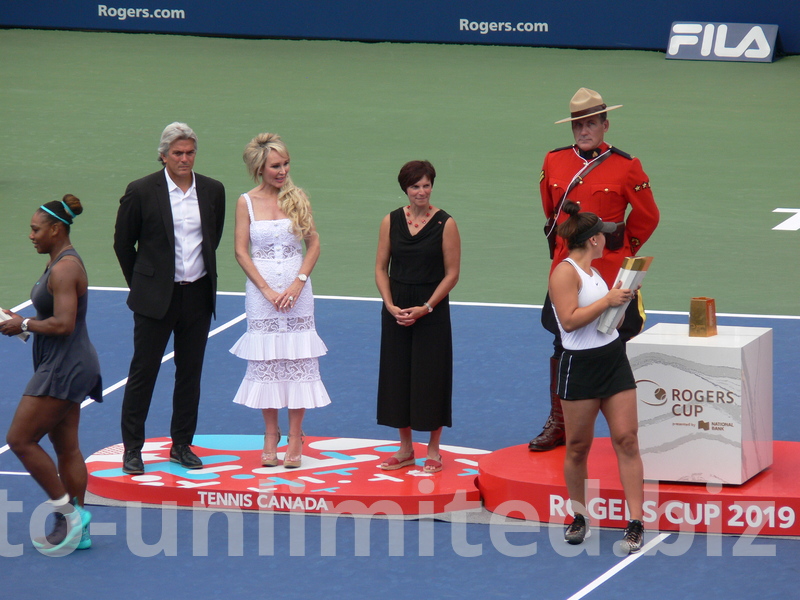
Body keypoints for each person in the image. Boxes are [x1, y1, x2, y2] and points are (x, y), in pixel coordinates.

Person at [530, 87, 660, 452]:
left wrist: (620, 249)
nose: (583, 131)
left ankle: (630, 426)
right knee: (562, 342)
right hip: (568, 270)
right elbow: (552, 213)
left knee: (620, 339)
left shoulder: (626, 165)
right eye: (577, 126)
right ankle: (559, 422)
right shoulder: (554, 161)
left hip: (610, 273)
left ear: (605, 124)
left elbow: (648, 216)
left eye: (590, 124)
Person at [114, 122, 225, 474]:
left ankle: (181, 445)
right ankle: (133, 449)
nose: (184, 158)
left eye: (190, 152)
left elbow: (213, 236)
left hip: (197, 297)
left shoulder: (212, 190)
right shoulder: (141, 191)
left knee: (189, 374)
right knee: (143, 373)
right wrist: (142, 284)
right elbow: (122, 243)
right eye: (177, 153)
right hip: (154, 300)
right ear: (163, 156)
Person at [1, 194, 102, 555]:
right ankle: (80, 527)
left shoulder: (64, 268)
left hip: (65, 366)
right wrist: (19, 322)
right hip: (66, 362)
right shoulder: (57, 263)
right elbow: (52, 320)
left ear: (56, 229)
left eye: (35, 229)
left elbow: (63, 323)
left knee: (20, 440)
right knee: (66, 446)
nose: (31, 235)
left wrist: (24, 323)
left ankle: (68, 514)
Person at [549, 200, 645, 554]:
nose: (606, 240)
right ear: (591, 241)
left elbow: (610, 325)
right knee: (577, 447)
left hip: (612, 360)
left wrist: (620, 303)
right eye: (601, 236)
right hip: (581, 367)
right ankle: (578, 515)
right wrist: (607, 301)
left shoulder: (598, 275)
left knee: (627, 439)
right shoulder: (565, 272)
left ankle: (636, 522)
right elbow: (570, 320)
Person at [229, 133, 330, 469]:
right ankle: (270, 436)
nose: (283, 170)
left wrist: (298, 283)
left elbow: (313, 244)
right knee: (268, 363)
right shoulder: (245, 202)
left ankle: (296, 436)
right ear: (260, 168)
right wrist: (268, 291)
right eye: (276, 165)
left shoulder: (296, 198)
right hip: (262, 298)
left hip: (297, 295)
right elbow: (241, 252)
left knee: (298, 359)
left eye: (286, 164)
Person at [375, 160, 461, 473]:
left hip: (432, 312)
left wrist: (427, 307)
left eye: (426, 185)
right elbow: (380, 268)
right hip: (397, 311)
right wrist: (389, 304)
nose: (421, 192)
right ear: (406, 189)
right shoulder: (390, 221)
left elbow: (452, 273)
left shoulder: (445, 224)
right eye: (415, 186)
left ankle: (434, 450)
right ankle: (405, 449)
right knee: (398, 377)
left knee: (431, 377)